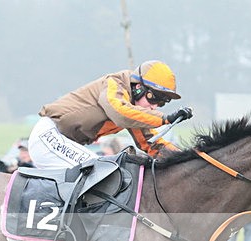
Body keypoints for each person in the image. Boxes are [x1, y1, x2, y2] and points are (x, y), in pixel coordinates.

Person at [29, 60, 193, 169]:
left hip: (64, 141)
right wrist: (164, 119)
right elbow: (119, 112)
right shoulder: (115, 84)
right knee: (100, 171)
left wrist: (188, 158)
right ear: (139, 87)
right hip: (49, 135)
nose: (155, 106)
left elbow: (151, 144)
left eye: (162, 103)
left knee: (104, 172)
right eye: (154, 98)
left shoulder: (133, 110)